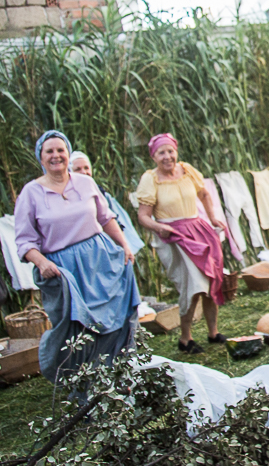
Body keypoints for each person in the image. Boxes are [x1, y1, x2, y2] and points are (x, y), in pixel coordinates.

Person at [14, 130, 140, 383]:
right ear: (40, 157)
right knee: (75, 330)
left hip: (100, 261)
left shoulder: (85, 183)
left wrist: (124, 245)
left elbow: (105, 218)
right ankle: (82, 383)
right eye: (49, 151)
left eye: (60, 150)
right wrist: (42, 262)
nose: (56, 156)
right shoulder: (30, 193)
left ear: (68, 154)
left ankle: (116, 378)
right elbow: (24, 241)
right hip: (63, 271)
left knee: (113, 322)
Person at [135, 133, 228, 354]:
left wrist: (212, 217)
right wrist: (159, 227)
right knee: (193, 285)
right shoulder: (150, 179)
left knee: (210, 279)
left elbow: (204, 193)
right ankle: (185, 338)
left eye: (170, 151)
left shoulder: (187, 170)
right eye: (161, 153)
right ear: (153, 156)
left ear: (176, 152)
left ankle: (213, 332)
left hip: (197, 229)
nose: (167, 157)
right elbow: (143, 216)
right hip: (173, 235)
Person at [69, 151, 145, 255]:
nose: (84, 172)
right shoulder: (67, 198)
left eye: (86, 168)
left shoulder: (102, 194)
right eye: (78, 169)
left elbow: (113, 220)